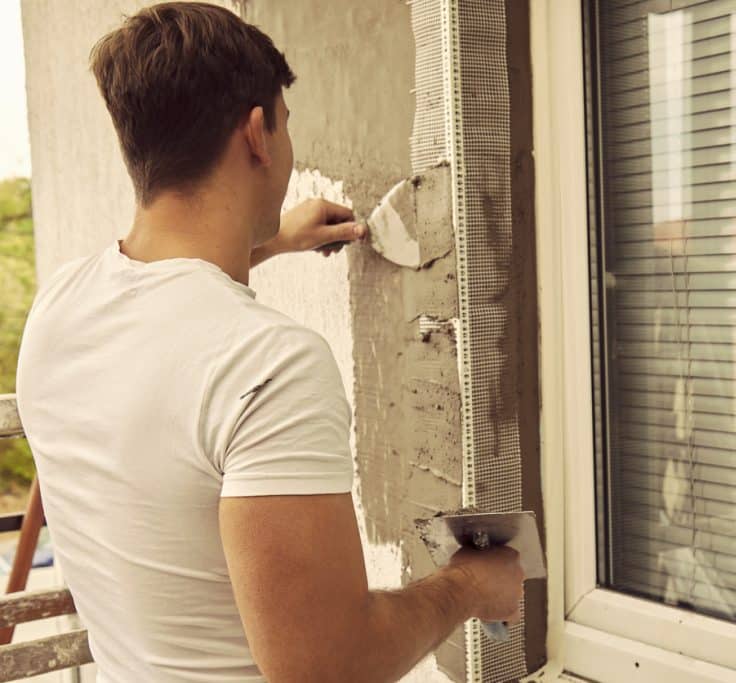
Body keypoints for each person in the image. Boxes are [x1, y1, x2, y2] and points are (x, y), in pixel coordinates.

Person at [15, 3, 524, 682]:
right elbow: (327, 664)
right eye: (284, 125)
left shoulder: (60, 306)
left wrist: (272, 238)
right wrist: (469, 586)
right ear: (257, 134)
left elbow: (165, 311)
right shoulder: (269, 366)